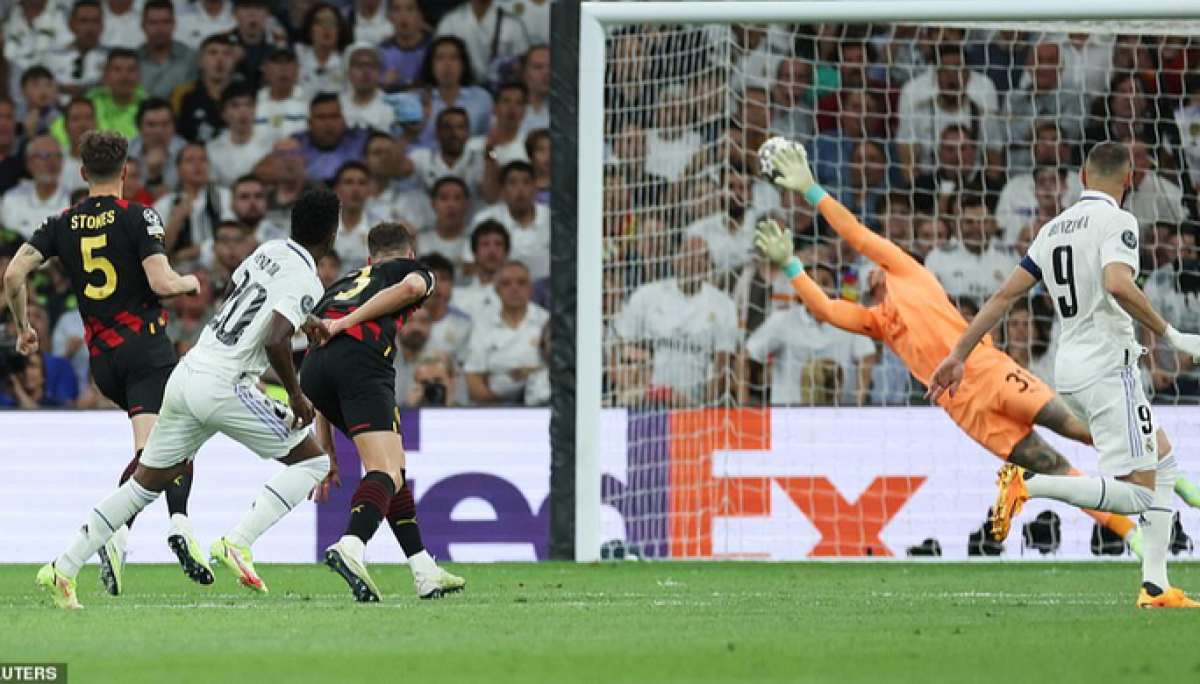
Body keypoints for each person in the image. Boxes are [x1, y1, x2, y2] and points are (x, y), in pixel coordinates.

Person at [755, 137, 1200, 557]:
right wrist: (791, 264)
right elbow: (826, 309)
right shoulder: (878, 323)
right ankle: (1133, 539)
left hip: (989, 371)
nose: (868, 270)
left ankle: (1170, 474)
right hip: (965, 408)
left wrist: (810, 190)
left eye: (873, 267)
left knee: (1081, 428)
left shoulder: (909, 272)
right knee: (1050, 464)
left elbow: (855, 233)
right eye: (863, 274)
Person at [34, 189, 340, 609]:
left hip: (189, 370)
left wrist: (305, 318)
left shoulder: (269, 250)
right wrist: (296, 394)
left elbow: (238, 291)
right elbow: (275, 339)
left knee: (143, 484)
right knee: (315, 462)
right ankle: (238, 542)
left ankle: (63, 568)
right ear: (332, 234)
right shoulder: (308, 279)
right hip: (225, 384)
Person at [928, 142, 1200, 609]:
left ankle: (1155, 586)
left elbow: (1003, 297)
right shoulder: (1118, 221)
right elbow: (1117, 282)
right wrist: (1172, 335)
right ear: (1128, 181)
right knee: (1140, 493)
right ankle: (1029, 484)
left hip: (1070, 367)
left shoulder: (1052, 229)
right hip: (1108, 365)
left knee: (1163, 460)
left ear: (1082, 178)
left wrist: (958, 354)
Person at [4, 130, 202, 601]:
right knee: (169, 447)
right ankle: (153, 528)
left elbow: (13, 273)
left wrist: (23, 327)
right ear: (126, 170)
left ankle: (139, 531)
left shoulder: (61, 222)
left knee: (159, 446)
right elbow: (162, 282)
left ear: (82, 172)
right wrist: (190, 281)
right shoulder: (139, 215)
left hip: (103, 361)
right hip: (145, 349)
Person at [303, 222, 465, 602]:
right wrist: (347, 323)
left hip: (312, 371)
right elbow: (410, 289)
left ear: (369, 259)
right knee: (385, 471)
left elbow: (323, 349)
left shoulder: (342, 284)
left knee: (394, 471)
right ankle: (352, 545)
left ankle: (424, 570)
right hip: (362, 360)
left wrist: (326, 445)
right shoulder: (413, 271)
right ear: (410, 254)